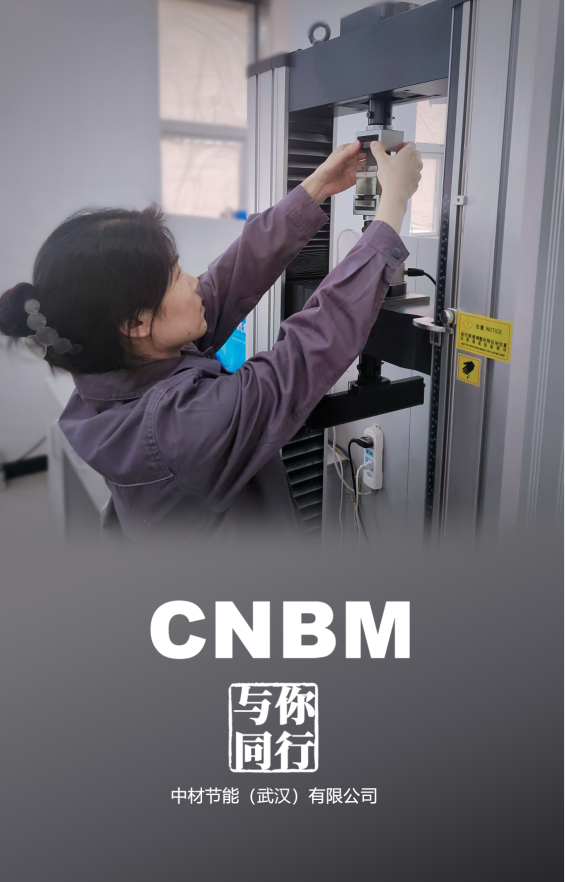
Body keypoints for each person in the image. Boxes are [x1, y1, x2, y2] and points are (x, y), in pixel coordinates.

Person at [0, 140, 422, 546]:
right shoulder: (176, 430)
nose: (193, 281)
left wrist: (318, 187)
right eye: (176, 274)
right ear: (135, 323)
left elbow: (231, 277)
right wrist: (392, 210)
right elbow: (308, 351)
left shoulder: (116, 363)